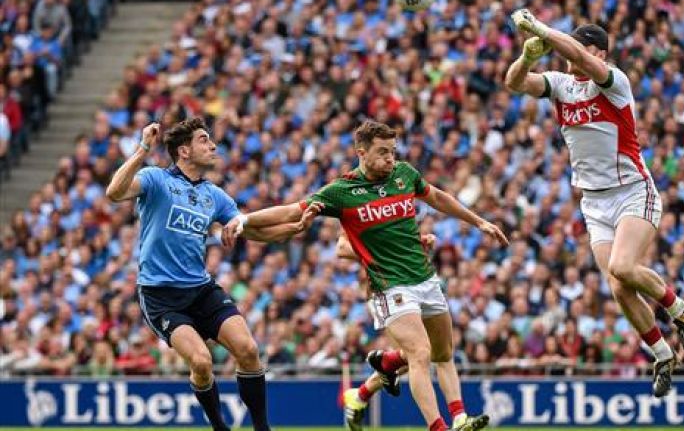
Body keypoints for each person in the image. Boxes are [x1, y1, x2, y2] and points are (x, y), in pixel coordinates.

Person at [224, 120, 505, 431]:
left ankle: (451, 413)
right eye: (383, 152)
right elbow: (293, 212)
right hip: (391, 287)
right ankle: (439, 427)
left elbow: (437, 197)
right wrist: (243, 221)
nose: (390, 159)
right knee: (420, 354)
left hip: (425, 278)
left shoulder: (404, 175)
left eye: (393, 152)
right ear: (361, 152)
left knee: (442, 352)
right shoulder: (342, 193)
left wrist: (479, 222)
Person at [504, 12, 684, 397]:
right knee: (618, 286)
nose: (566, 57)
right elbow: (513, 83)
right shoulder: (560, 85)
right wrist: (527, 56)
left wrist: (541, 29)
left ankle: (679, 310)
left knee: (623, 266)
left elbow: (578, 54)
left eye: (578, 49)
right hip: (594, 203)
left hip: (631, 191)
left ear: (597, 52)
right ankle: (662, 354)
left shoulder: (613, 81)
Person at [106, 117, 318, 431]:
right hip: (161, 296)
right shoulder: (155, 179)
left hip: (201, 288)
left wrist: (292, 228)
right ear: (184, 151)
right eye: (204, 140)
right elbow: (114, 192)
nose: (213, 145)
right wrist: (142, 149)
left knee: (248, 350)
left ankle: (262, 428)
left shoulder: (214, 196)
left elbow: (248, 229)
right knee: (202, 362)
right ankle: (219, 426)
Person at [338, 232, 434, 431]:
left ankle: (359, 395)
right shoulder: (362, 216)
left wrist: (418, 246)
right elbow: (342, 247)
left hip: (403, 296)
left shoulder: (393, 220)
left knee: (415, 356)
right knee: (415, 354)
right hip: (384, 298)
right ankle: (361, 394)